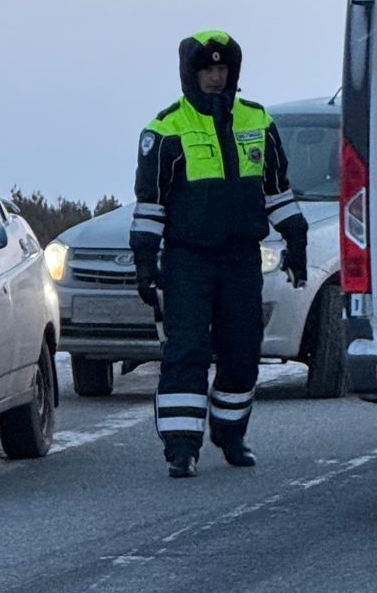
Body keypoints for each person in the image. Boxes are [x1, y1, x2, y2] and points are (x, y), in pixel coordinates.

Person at [130, 29, 308, 478]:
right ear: (191, 74)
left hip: (241, 259)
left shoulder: (258, 121)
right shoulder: (165, 128)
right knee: (186, 351)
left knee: (243, 350)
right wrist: (145, 262)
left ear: (233, 73)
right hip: (189, 261)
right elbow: (151, 205)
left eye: (221, 68)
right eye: (206, 69)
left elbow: (277, 190)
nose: (214, 77)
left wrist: (297, 237)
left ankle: (230, 434)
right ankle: (181, 448)